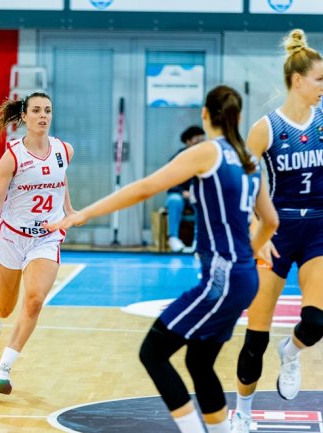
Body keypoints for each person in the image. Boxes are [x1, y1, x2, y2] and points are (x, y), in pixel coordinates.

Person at [44, 85, 278, 433]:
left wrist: (83, 215)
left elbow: (143, 188)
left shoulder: (207, 153)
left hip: (221, 279)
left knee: (152, 352)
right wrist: (249, 250)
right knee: (199, 362)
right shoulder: (249, 161)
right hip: (245, 278)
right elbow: (271, 221)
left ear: (204, 114)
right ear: (238, 117)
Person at [230, 29, 323, 433]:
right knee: (255, 338)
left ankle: (293, 350)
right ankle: (242, 413)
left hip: (320, 225)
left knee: (316, 324)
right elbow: (247, 192)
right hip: (278, 230)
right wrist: (255, 241)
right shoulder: (264, 129)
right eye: (321, 79)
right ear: (298, 81)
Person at [0, 91, 76, 395]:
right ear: (24, 116)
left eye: (47, 110)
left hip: (46, 238)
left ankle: (3, 370)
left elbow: (60, 181)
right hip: (11, 237)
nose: (43, 116)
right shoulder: (11, 157)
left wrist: (69, 210)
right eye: (36, 110)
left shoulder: (65, 150)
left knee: (35, 300)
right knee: (7, 307)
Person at [165, 125, 205, 252]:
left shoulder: (206, 158)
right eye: (196, 141)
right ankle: (173, 238)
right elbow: (169, 181)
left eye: (202, 140)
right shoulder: (177, 158)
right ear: (187, 142)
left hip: (198, 195)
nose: (200, 144)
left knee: (203, 201)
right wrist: (182, 192)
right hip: (181, 195)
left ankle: (199, 240)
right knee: (174, 200)